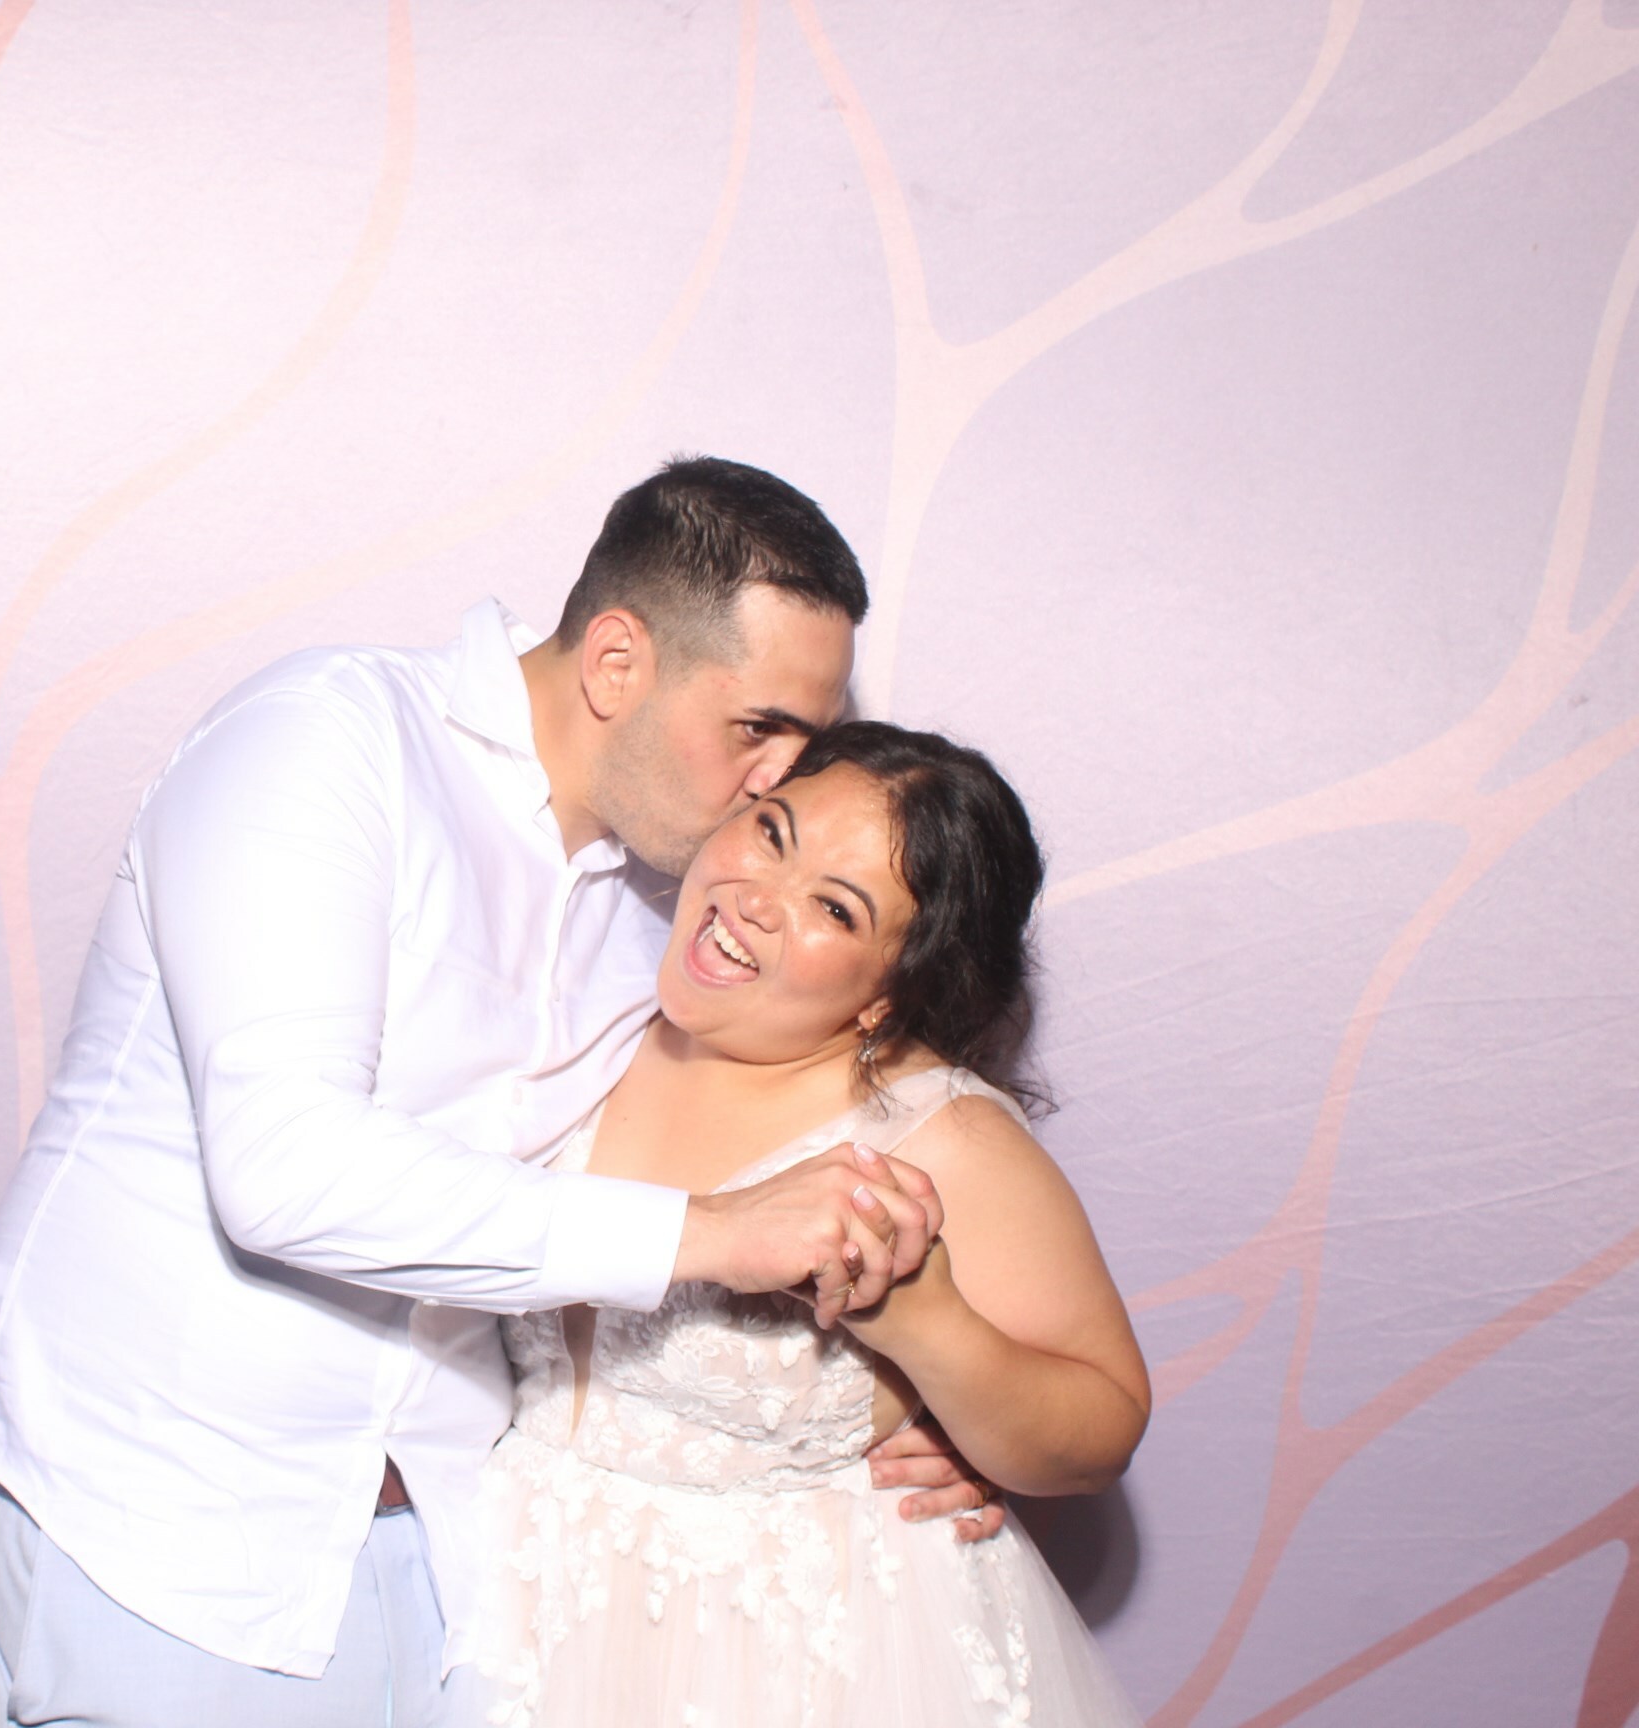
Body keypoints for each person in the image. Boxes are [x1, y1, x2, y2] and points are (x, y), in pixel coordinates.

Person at [0, 458, 1000, 1728]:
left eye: (802, 745)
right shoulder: (325, 742)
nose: (776, 779)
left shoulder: (685, 907)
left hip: (458, 1560)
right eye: (757, 728)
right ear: (617, 661)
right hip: (159, 1528)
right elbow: (285, 1170)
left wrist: (915, 1419)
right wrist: (715, 1235)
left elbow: (821, 1101)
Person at [478, 722, 1150, 1727]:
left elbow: (1101, 1430)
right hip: (515, 1606)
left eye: (835, 907)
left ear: (891, 992)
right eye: (772, 832)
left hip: (800, 1659)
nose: (756, 898)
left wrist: (931, 1334)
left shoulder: (940, 1135)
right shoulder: (585, 1014)